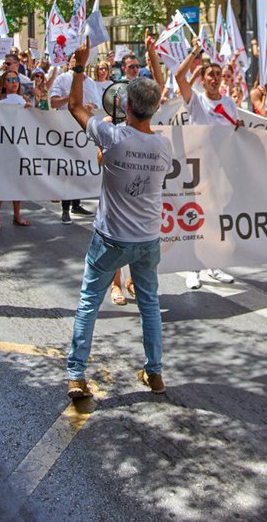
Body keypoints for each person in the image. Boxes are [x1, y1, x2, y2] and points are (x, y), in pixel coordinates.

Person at [64, 39, 173, 400]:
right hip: (147, 240)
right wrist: (154, 58)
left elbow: (75, 106)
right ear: (154, 109)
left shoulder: (112, 137)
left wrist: (80, 67)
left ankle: (77, 375)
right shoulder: (163, 146)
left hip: (111, 238)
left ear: (125, 104)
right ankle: (154, 372)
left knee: (88, 301)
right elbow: (157, 97)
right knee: (149, 305)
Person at [165, 37, 240, 288]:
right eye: (211, 74)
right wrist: (195, 52)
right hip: (196, 168)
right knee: (194, 217)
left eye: (219, 74)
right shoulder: (196, 100)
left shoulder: (229, 103)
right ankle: (192, 268)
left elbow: (233, 132)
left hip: (222, 169)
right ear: (203, 78)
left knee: (217, 217)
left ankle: (214, 265)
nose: (215, 78)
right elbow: (177, 76)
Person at [49, 55, 99, 224]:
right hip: (66, 128)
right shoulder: (62, 79)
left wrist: (91, 108)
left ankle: (76, 203)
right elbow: (53, 102)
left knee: (80, 166)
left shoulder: (91, 83)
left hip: (84, 129)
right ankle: (65, 209)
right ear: (70, 63)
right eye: (75, 59)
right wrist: (70, 99)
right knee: (67, 168)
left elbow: (97, 105)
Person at [0, 71, 33, 230]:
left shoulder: (24, 100)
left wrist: (30, 109)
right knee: (0, 180)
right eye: (10, 80)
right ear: (3, 84)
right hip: (2, 147)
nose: (14, 82)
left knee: (18, 181)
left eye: (16, 79)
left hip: (20, 147)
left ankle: (17, 215)